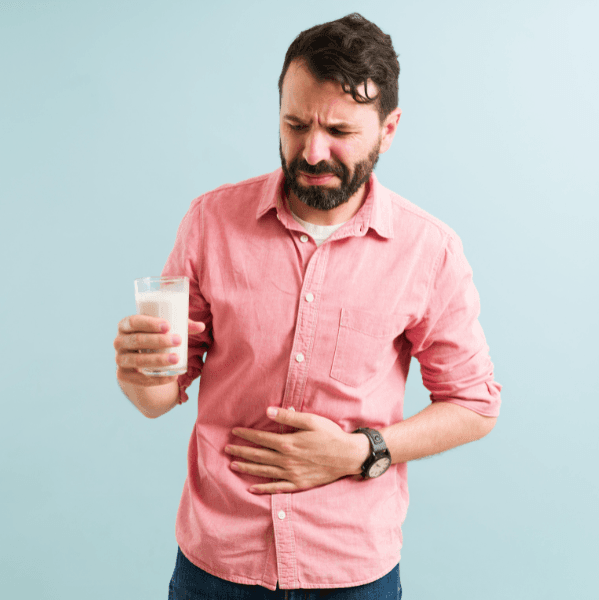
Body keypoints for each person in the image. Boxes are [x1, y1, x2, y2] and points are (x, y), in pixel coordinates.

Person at [114, 13, 501, 599]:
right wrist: (139, 376)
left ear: (388, 129)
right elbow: (159, 397)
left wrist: (357, 452)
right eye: (295, 125)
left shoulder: (429, 251)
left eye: (340, 131)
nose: (313, 152)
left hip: (352, 570)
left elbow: (474, 405)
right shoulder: (210, 223)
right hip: (217, 565)